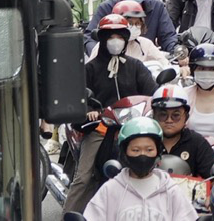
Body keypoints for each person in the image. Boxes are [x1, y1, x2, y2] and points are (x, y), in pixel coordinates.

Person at [62, 16, 156, 214]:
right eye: (110, 36)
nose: (115, 40)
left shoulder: (136, 66)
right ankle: (69, 216)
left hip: (136, 129)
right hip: (100, 129)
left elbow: (152, 92)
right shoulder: (90, 68)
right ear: (102, 39)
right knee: (83, 177)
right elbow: (79, 97)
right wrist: (89, 112)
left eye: (119, 36)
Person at [83, 116, 196, 221]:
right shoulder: (111, 189)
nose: (143, 155)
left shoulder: (171, 190)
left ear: (158, 151)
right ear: (124, 152)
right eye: (136, 150)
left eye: (149, 150)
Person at [149, 84, 214, 177]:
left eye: (176, 115)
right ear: (154, 116)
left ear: (186, 117)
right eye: (162, 114)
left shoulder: (197, 143)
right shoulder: (144, 141)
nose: (169, 120)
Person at [92, 0, 173, 67]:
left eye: (137, 23)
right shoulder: (103, 46)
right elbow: (90, 70)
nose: (134, 27)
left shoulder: (145, 44)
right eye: (130, 23)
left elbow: (165, 64)